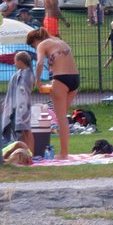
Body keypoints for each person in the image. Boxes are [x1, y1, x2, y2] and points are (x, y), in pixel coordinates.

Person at [28, 27, 77, 158]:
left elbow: (39, 64)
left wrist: (38, 82)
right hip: (74, 79)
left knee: (61, 119)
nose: (35, 48)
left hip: (61, 79)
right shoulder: (59, 41)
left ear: (36, 40)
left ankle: (64, 153)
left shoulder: (42, 44)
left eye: (33, 45)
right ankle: (64, 152)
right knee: (63, 119)